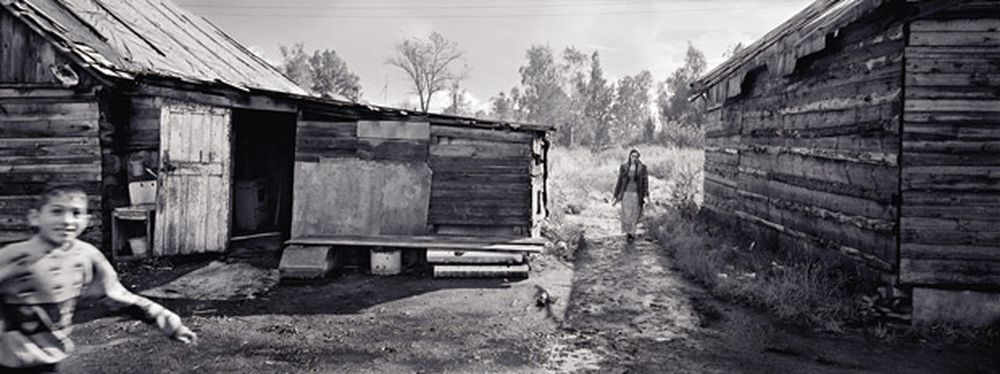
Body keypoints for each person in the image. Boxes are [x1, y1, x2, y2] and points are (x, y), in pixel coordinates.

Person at [0, 185, 197, 373]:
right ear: (35, 217)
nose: (67, 220)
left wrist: (170, 322)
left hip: (50, 359)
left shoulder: (86, 257)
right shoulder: (15, 257)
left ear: (87, 220)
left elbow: (118, 296)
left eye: (76, 213)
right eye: (57, 211)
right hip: (8, 361)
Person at [612, 149, 649, 241]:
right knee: (626, 213)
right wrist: (616, 194)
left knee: (635, 213)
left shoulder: (642, 167)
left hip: (637, 193)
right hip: (626, 192)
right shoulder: (624, 166)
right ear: (629, 156)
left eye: (636, 157)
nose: (634, 158)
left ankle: (632, 232)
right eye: (633, 156)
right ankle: (628, 232)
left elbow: (645, 182)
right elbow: (620, 181)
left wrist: (646, 194)